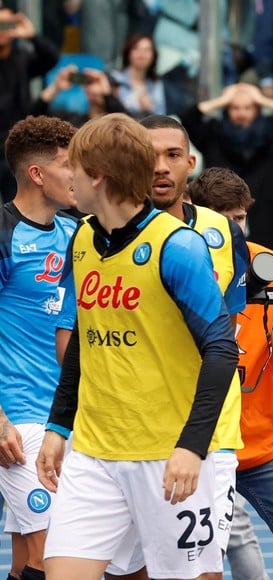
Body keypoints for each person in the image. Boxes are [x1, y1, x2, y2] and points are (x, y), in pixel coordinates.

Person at [35, 112, 237, 579]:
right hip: (95, 450)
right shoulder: (83, 238)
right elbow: (86, 340)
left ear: (99, 176)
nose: (68, 177)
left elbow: (222, 350)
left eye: (74, 168)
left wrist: (192, 446)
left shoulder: (178, 247)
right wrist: (58, 425)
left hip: (166, 453)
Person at [137, 114, 247, 574]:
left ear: (191, 163)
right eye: (150, 157)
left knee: (203, 569)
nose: (161, 167)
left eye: (173, 156)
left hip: (210, 430)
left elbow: (228, 326)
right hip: (131, 427)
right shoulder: (96, 232)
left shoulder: (223, 233)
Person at [187, 166, 273, 577]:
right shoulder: (177, 267)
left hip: (264, 441)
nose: (234, 230)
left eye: (239, 218)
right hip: (198, 442)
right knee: (216, 551)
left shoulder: (269, 269)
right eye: (222, 220)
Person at [0, 115, 77, 580]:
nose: (80, 176)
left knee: (28, 560)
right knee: (54, 557)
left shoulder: (78, 233)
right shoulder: (2, 233)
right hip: (20, 420)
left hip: (65, 418)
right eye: (69, 165)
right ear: (36, 173)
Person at [179, 83, 273, 257]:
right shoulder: (213, 134)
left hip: (267, 214)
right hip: (219, 211)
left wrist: (262, 99)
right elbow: (187, 118)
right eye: (234, 107)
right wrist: (221, 100)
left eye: (248, 107)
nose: (241, 113)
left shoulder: (271, 134)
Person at [0, 7, 60, 203]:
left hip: (14, 146)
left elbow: (51, 58)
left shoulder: (21, 58)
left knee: (15, 206)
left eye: (6, 25)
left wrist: (32, 36)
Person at [110, 34, 166, 118]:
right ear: (128, 53)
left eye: (146, 50)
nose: (141, 54)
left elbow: (162, 116)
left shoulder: (155, 82)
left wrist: (149, 108)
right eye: (136, 48)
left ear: (153, 55)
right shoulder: (115, 78)